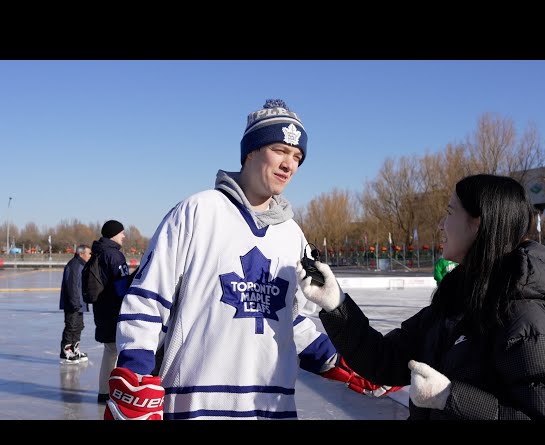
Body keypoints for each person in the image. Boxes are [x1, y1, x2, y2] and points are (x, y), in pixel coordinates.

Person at [105, 99, 399, 420]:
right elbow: (149, 299)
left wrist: (348, 365)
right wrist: (135, 373)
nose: (290, 164)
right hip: (196, 406)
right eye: (280, 150)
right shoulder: (198, 212)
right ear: (250, 152)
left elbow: (290, 322)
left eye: (297, 156)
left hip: (273, 407)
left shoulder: (292, 235)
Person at [297, 173, 545, 420]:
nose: (442, 224)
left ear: (477, 224)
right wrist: (337, 305)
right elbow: (385, 360)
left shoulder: (527, 317)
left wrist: (450, 397)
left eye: (450, 212)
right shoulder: (456, 301)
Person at [91, 219, 129, 403]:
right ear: (114, 234)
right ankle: (111, 391)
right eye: (121, 232)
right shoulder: (114, 256)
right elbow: (120, 288)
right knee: (115, 350)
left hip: (102, 308)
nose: (124, 235)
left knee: (110, 350)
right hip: (114, 309)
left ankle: (105, 390)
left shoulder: (98, 253)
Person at [59, 244, 92, 364]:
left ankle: (74, 349)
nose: (90, 256)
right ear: (81, 254)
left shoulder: (82, 266)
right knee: (71, 327)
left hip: (80, 303)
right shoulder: (74, 266)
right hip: (73, 304)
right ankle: (65, 352)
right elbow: (72, 286)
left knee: (78, 326)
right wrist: (74, 303)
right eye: (89, 253)